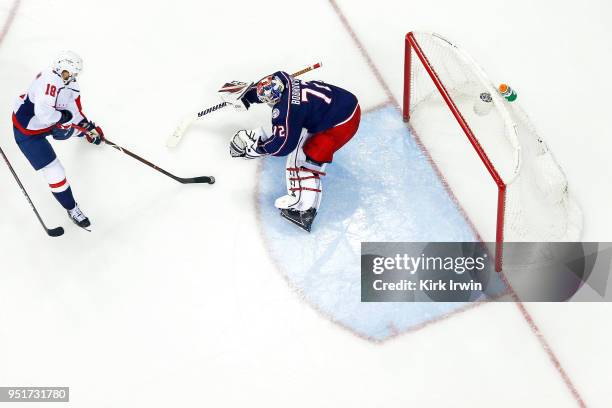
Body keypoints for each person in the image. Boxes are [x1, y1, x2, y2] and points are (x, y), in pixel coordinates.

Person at [220, 71, 360, 232]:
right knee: (300, 138)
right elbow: (269, 85)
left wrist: (260, 148)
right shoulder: (283, 79)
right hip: (343, 101)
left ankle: (304, 211)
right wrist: (247, 96)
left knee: (307, 161)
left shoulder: (285, 110)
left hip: (343, 123)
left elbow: (284, 146)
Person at [12, 51, 104, 230]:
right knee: (55, 170)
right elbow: (44, 114)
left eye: (74, 74)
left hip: (47, 123)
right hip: (27, 131)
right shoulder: (49, 82)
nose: (72, 77)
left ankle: (81, 133)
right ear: (61, 70)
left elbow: (73, 112)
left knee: (66, 127)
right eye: (70, 73)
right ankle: (72, 208)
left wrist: (86, 127)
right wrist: (65, 118)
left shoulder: (71, 85)